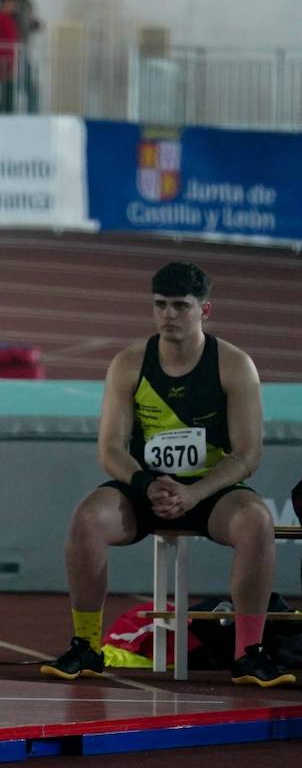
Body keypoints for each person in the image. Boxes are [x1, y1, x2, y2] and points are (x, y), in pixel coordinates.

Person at [41, 261, 293, 688]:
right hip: (144, 489)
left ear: (204, 310)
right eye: (160, 305)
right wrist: (145, 483)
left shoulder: (233, 365)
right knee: (87, 519)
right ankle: (86, 647)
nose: (169, 315)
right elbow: (110, 449)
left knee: (257, 522)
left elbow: (249, 453)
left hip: (211, 493)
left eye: (180, 306)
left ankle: (249, 653)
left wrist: (195, 493)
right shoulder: (129, 364)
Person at [13, 0, 43, 114]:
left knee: (25, 83)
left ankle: (31, 112)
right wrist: (31, 24)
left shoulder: (27, 2)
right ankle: (32, 114)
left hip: (23, 46)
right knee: (27, 84)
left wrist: (33, 24)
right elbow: (20, 23)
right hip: (16, 48)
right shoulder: (17, 1)